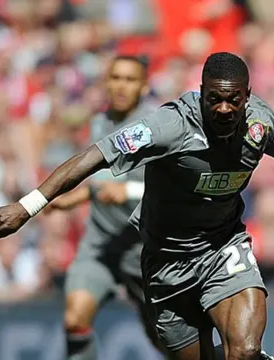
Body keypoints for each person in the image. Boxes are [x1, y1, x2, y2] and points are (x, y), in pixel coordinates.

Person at [0, 52, 274, 360]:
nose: (224, 109)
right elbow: (91, 158)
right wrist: (28, 207)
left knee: (245, 350)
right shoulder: (166, 127)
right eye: (215, 99)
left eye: (234, 100)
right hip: (164, 263)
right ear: (201, 91)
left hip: (223, 248)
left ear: (247, 95)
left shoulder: (260, 123)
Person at [46, 55, 162, 360]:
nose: (121, 86)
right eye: (116, 78)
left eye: (130, 79)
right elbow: (103, 182)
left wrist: (129, 191)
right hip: (100, 247)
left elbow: (170, 189)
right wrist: (74, 199)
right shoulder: (100, 123)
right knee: (74, 319)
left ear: (144, 85)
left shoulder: (156, 127)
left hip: (143, 253)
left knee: (166, 342)